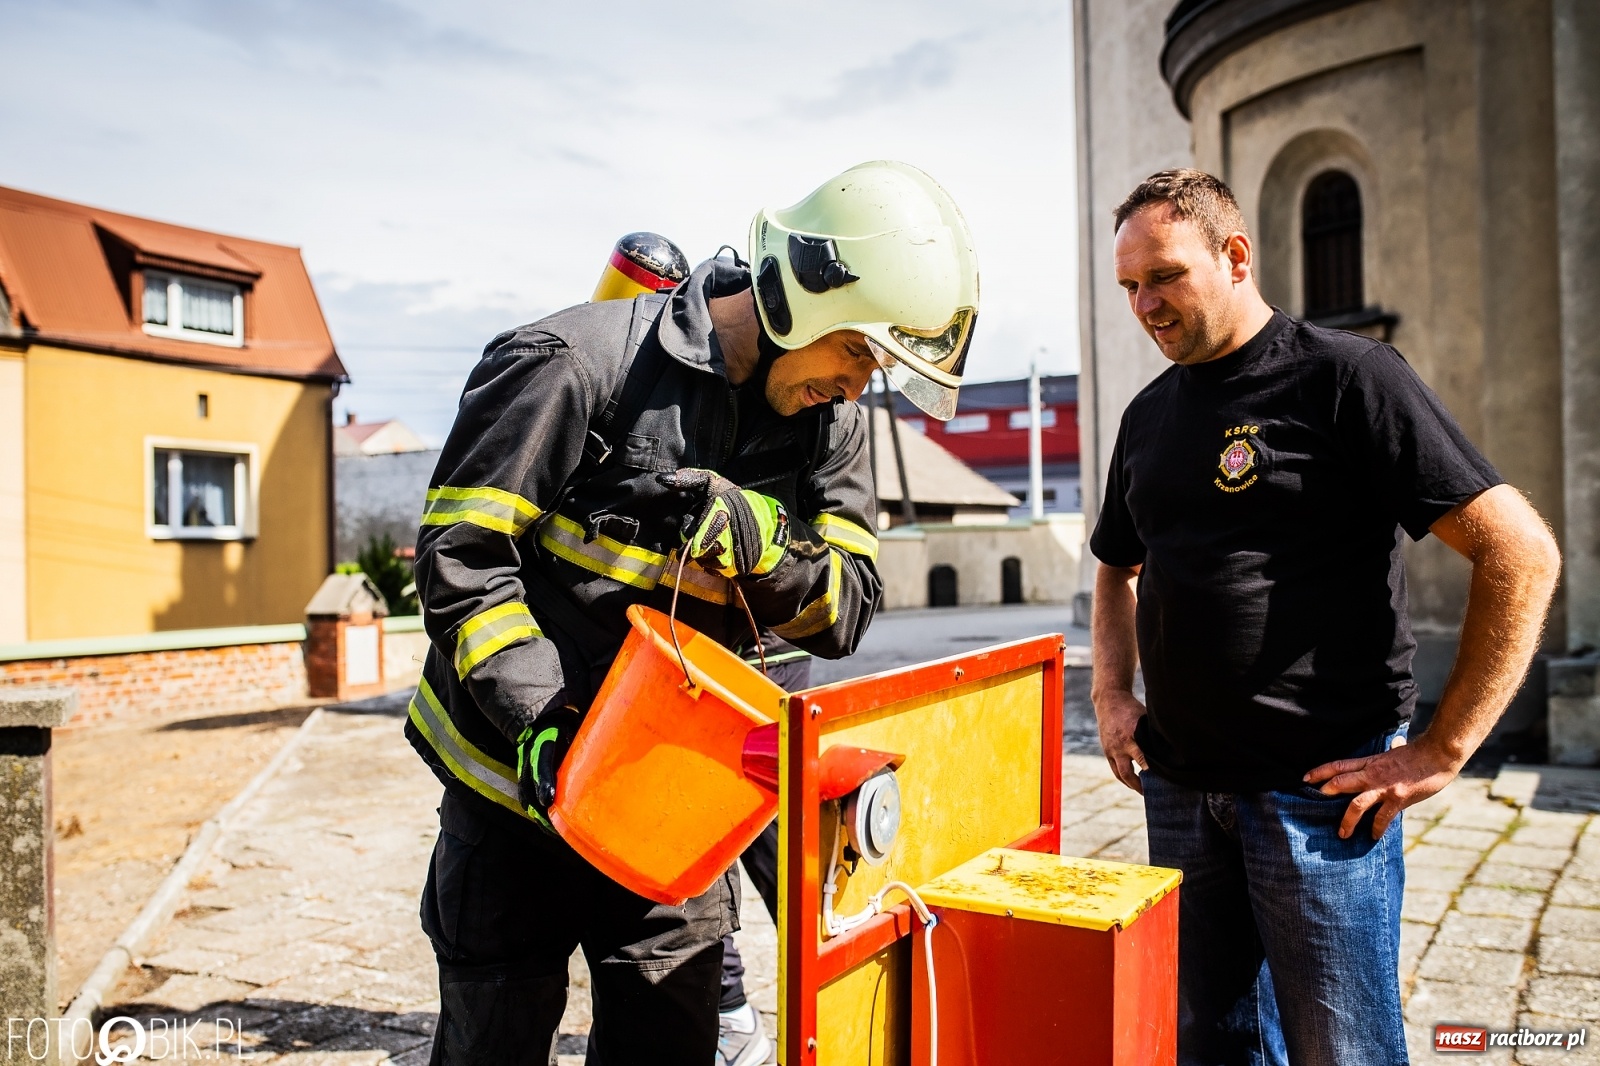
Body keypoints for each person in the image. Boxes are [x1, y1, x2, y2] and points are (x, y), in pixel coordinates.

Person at [407, 160, 979, 1065]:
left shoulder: (832, 426)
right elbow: (462, 558)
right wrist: (544, 719)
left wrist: (765, 547)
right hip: (514, 796)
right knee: (493, 1041)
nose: (859, 386)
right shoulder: (570, 365)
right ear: (804, 302)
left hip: (672, 806)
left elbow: (850, 608)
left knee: (666, 1045)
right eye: (858, 354)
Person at [1089, 169, 1560, 1065]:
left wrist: (1443, 749)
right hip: (1183, 793)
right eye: (1129, 287)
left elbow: (1520, 552)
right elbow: (1117, 565)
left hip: (1317, 799)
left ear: (1235, 256)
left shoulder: (1346, 378)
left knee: (1341, 1050)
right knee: (1215, 1047)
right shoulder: (1148, 416)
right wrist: (1113, 692)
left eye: (1164, 277)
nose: (1144, 305)